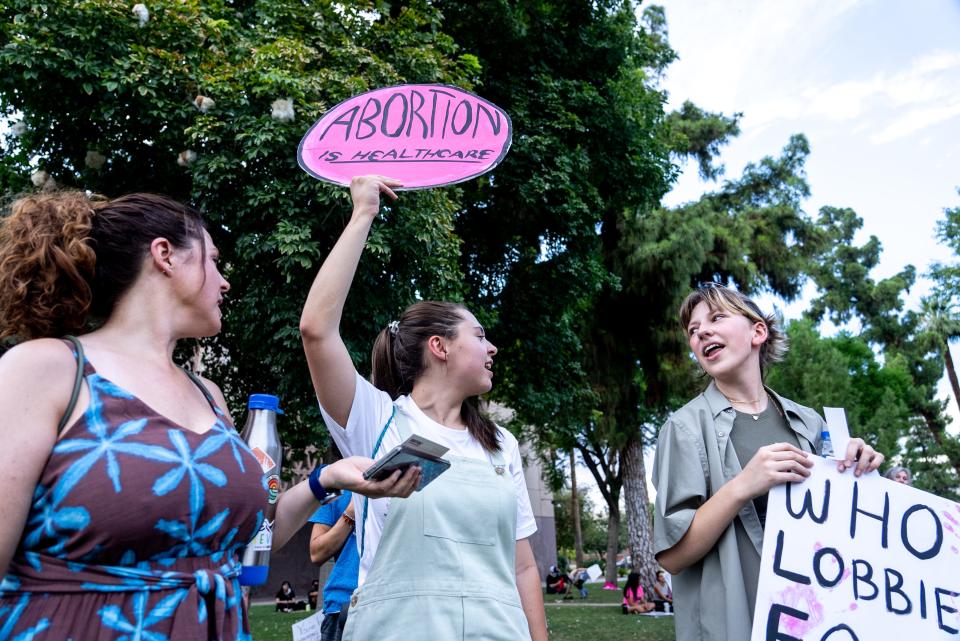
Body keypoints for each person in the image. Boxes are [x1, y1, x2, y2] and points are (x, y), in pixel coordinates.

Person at [0, 191, 419, 639]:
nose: (224, 282)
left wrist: (328, 479)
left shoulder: (207, 394)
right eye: (213, 260)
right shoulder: (49, 368)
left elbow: (243, 546)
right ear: (165, 256)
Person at [300, 175, 548, 641]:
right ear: (440, 347)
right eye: (478, 335)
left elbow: (524, 568)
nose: (492, 347)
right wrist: (363, 215)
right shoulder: (375, 421)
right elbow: (316, 329)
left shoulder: (502, 445)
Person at [652, 283, 885, 641]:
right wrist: (742, 487)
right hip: (733, 627)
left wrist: (862, 472)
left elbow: (843, 528)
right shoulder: (683, 428)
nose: (702, 333)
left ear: (758, 331)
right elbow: (672, 557)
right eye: (693, 331)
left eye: (716, 318)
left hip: (814, 623)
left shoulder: (811, 423)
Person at [309, 489, 359, 641]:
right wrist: (351, 511)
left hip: (403, 602)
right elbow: (316, 553)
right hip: (344, 606)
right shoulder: (339, 482)